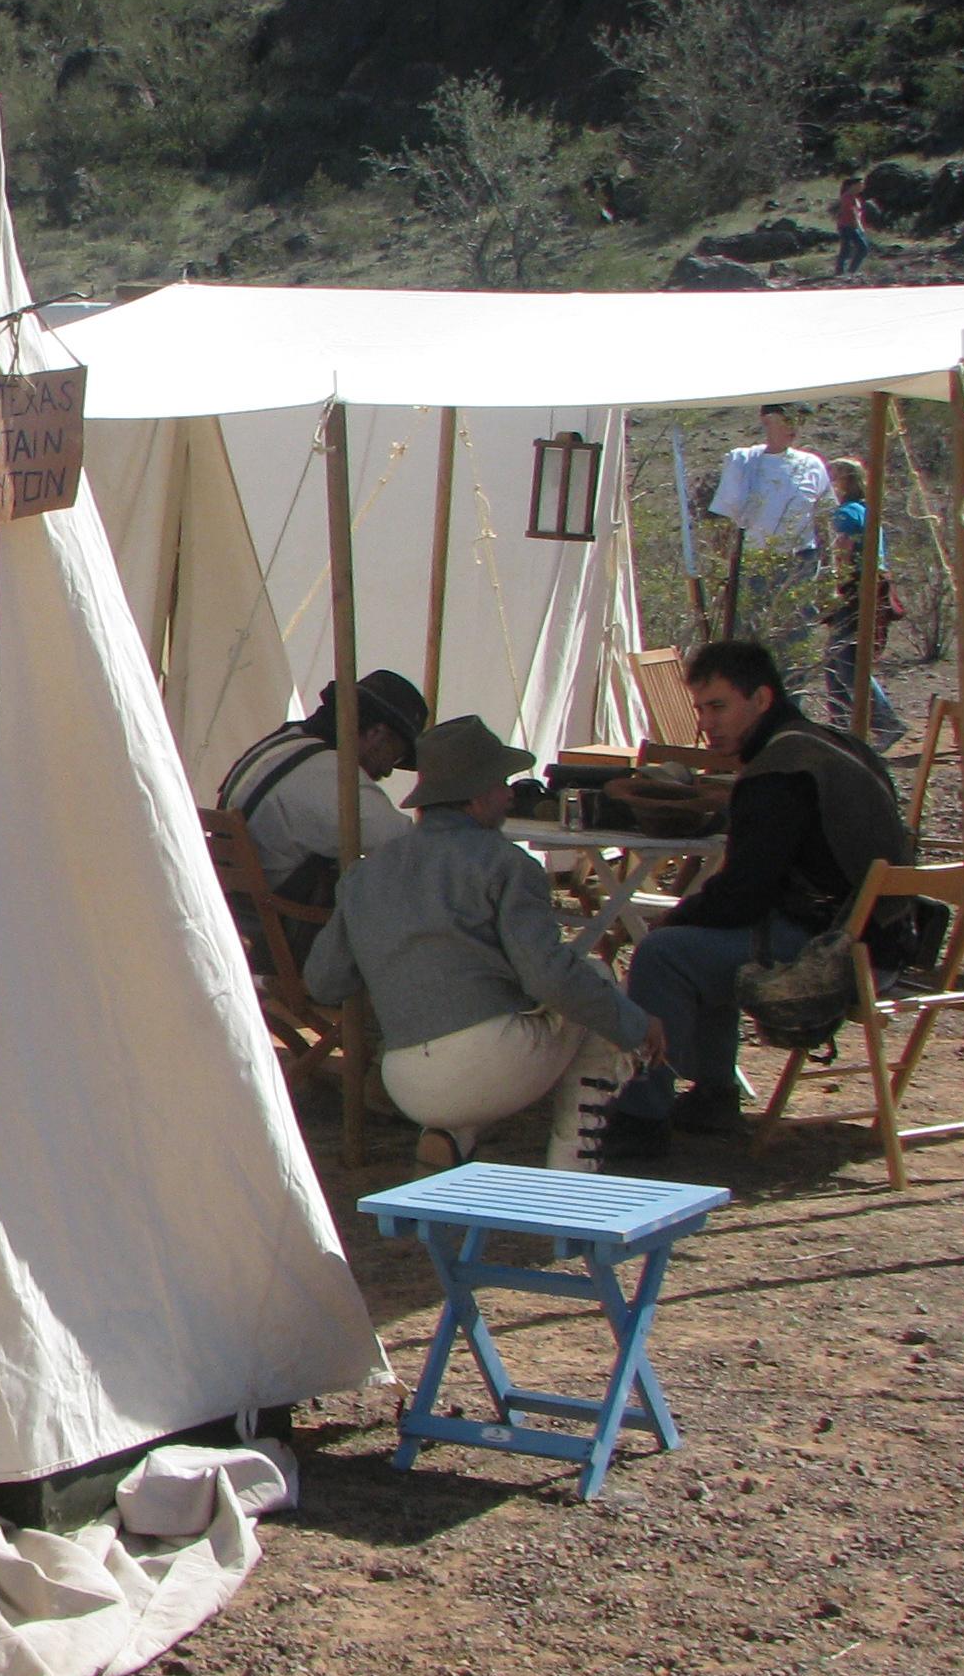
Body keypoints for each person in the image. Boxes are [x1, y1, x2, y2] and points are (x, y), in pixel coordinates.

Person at [304, 716, 663, 1172]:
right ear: (476, 796)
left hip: (404, 1077)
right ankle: (574, 1165)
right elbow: (549, 976)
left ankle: (450, 1133)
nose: (510, 794)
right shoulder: (507, 866)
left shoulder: (364, 874)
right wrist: (636, 1025)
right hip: (486, 1062)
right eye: (502, 783)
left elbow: (324, 981)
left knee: (538, 1004)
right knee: (592, 979)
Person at [606, 637, 914, 1154]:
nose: (708, 722)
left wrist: (677, 919)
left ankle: (640, 1119)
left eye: (720, 706)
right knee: (699, 941)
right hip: (883, 941)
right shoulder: (831, 745)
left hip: (840, 956)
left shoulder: (781, 771)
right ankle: (714, 1094)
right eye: (702, 709)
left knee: (665, 953)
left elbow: (743, 897)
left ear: (762, 699)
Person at [216, 668, 430, 909]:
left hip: (244, 916)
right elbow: (410, 847)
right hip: (282, 927)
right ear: (377, 734)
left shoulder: (285, 743)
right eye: (396, 756)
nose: (389, 770)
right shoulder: (330, 773)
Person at [821, 456, 904, 744]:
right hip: (872, 585)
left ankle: (884, 722)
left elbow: (843, 551)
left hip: (855, 588)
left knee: (845, 660)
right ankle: (842, 726)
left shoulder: (845, 514)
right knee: (836, 659)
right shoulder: (868, 510)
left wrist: (833, 587)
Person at [832, 174, 880, 277]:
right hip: (848, 226)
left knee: (846, 249)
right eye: (860, 184)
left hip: (849, 226)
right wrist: (859, 227)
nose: (862, 186)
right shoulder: (848, 197)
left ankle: (842, 271)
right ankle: (849, 271)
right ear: (853, 185)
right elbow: (852, 213)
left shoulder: (854, 197)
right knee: (862, 248)